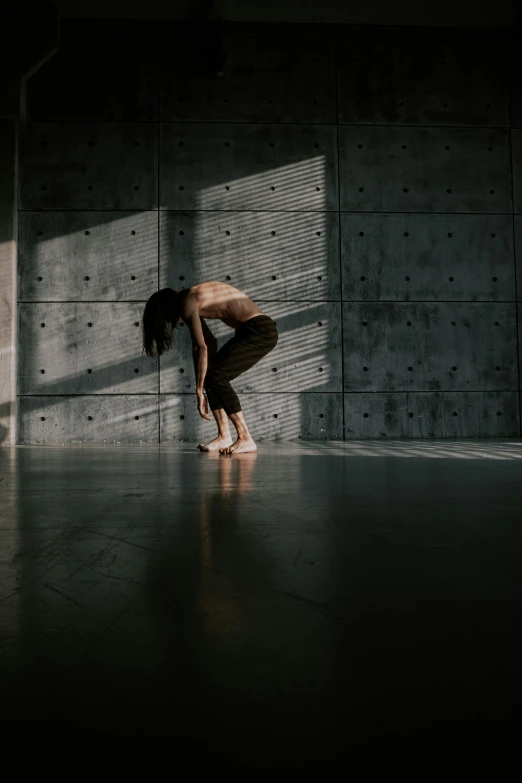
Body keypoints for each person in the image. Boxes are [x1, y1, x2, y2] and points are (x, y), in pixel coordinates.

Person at [142, 281, 278, 454]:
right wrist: (205, 380)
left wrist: (199, 390)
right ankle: (224, 436)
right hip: (250, 330)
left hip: (260, 330)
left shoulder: (187, 302)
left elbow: (200, 347)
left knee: (215, 377)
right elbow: (209, 342)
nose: (174, 321)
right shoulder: (191, 298)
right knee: (211, 376)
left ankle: (245, 438)